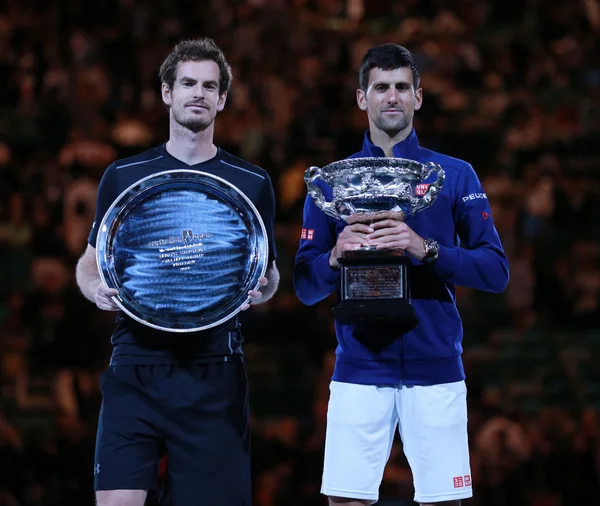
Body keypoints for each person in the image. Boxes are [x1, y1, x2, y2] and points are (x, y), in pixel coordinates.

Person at [294, 44, 509, 506]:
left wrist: (425, 249)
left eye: (401, 87)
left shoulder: (454, 175)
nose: (391, 97)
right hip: (359, 365)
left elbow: (495, 272)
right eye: (380, 88)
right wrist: (334, 256)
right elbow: (305, 287)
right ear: (361, 98)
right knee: (346, 501)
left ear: (418, 97)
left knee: (446, 502)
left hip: (436, 365)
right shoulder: (332, 183)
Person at [75, 38, 279, 506]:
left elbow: (267, 273)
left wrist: (265, 289)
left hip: (215, 371)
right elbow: (92, 259)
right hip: (135, 365)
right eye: (188, 83)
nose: (199, 93)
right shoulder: (124, 176)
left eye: (210, 86)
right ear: (167, 92)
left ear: (222, 100)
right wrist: (93, 288)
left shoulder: (252, 182)